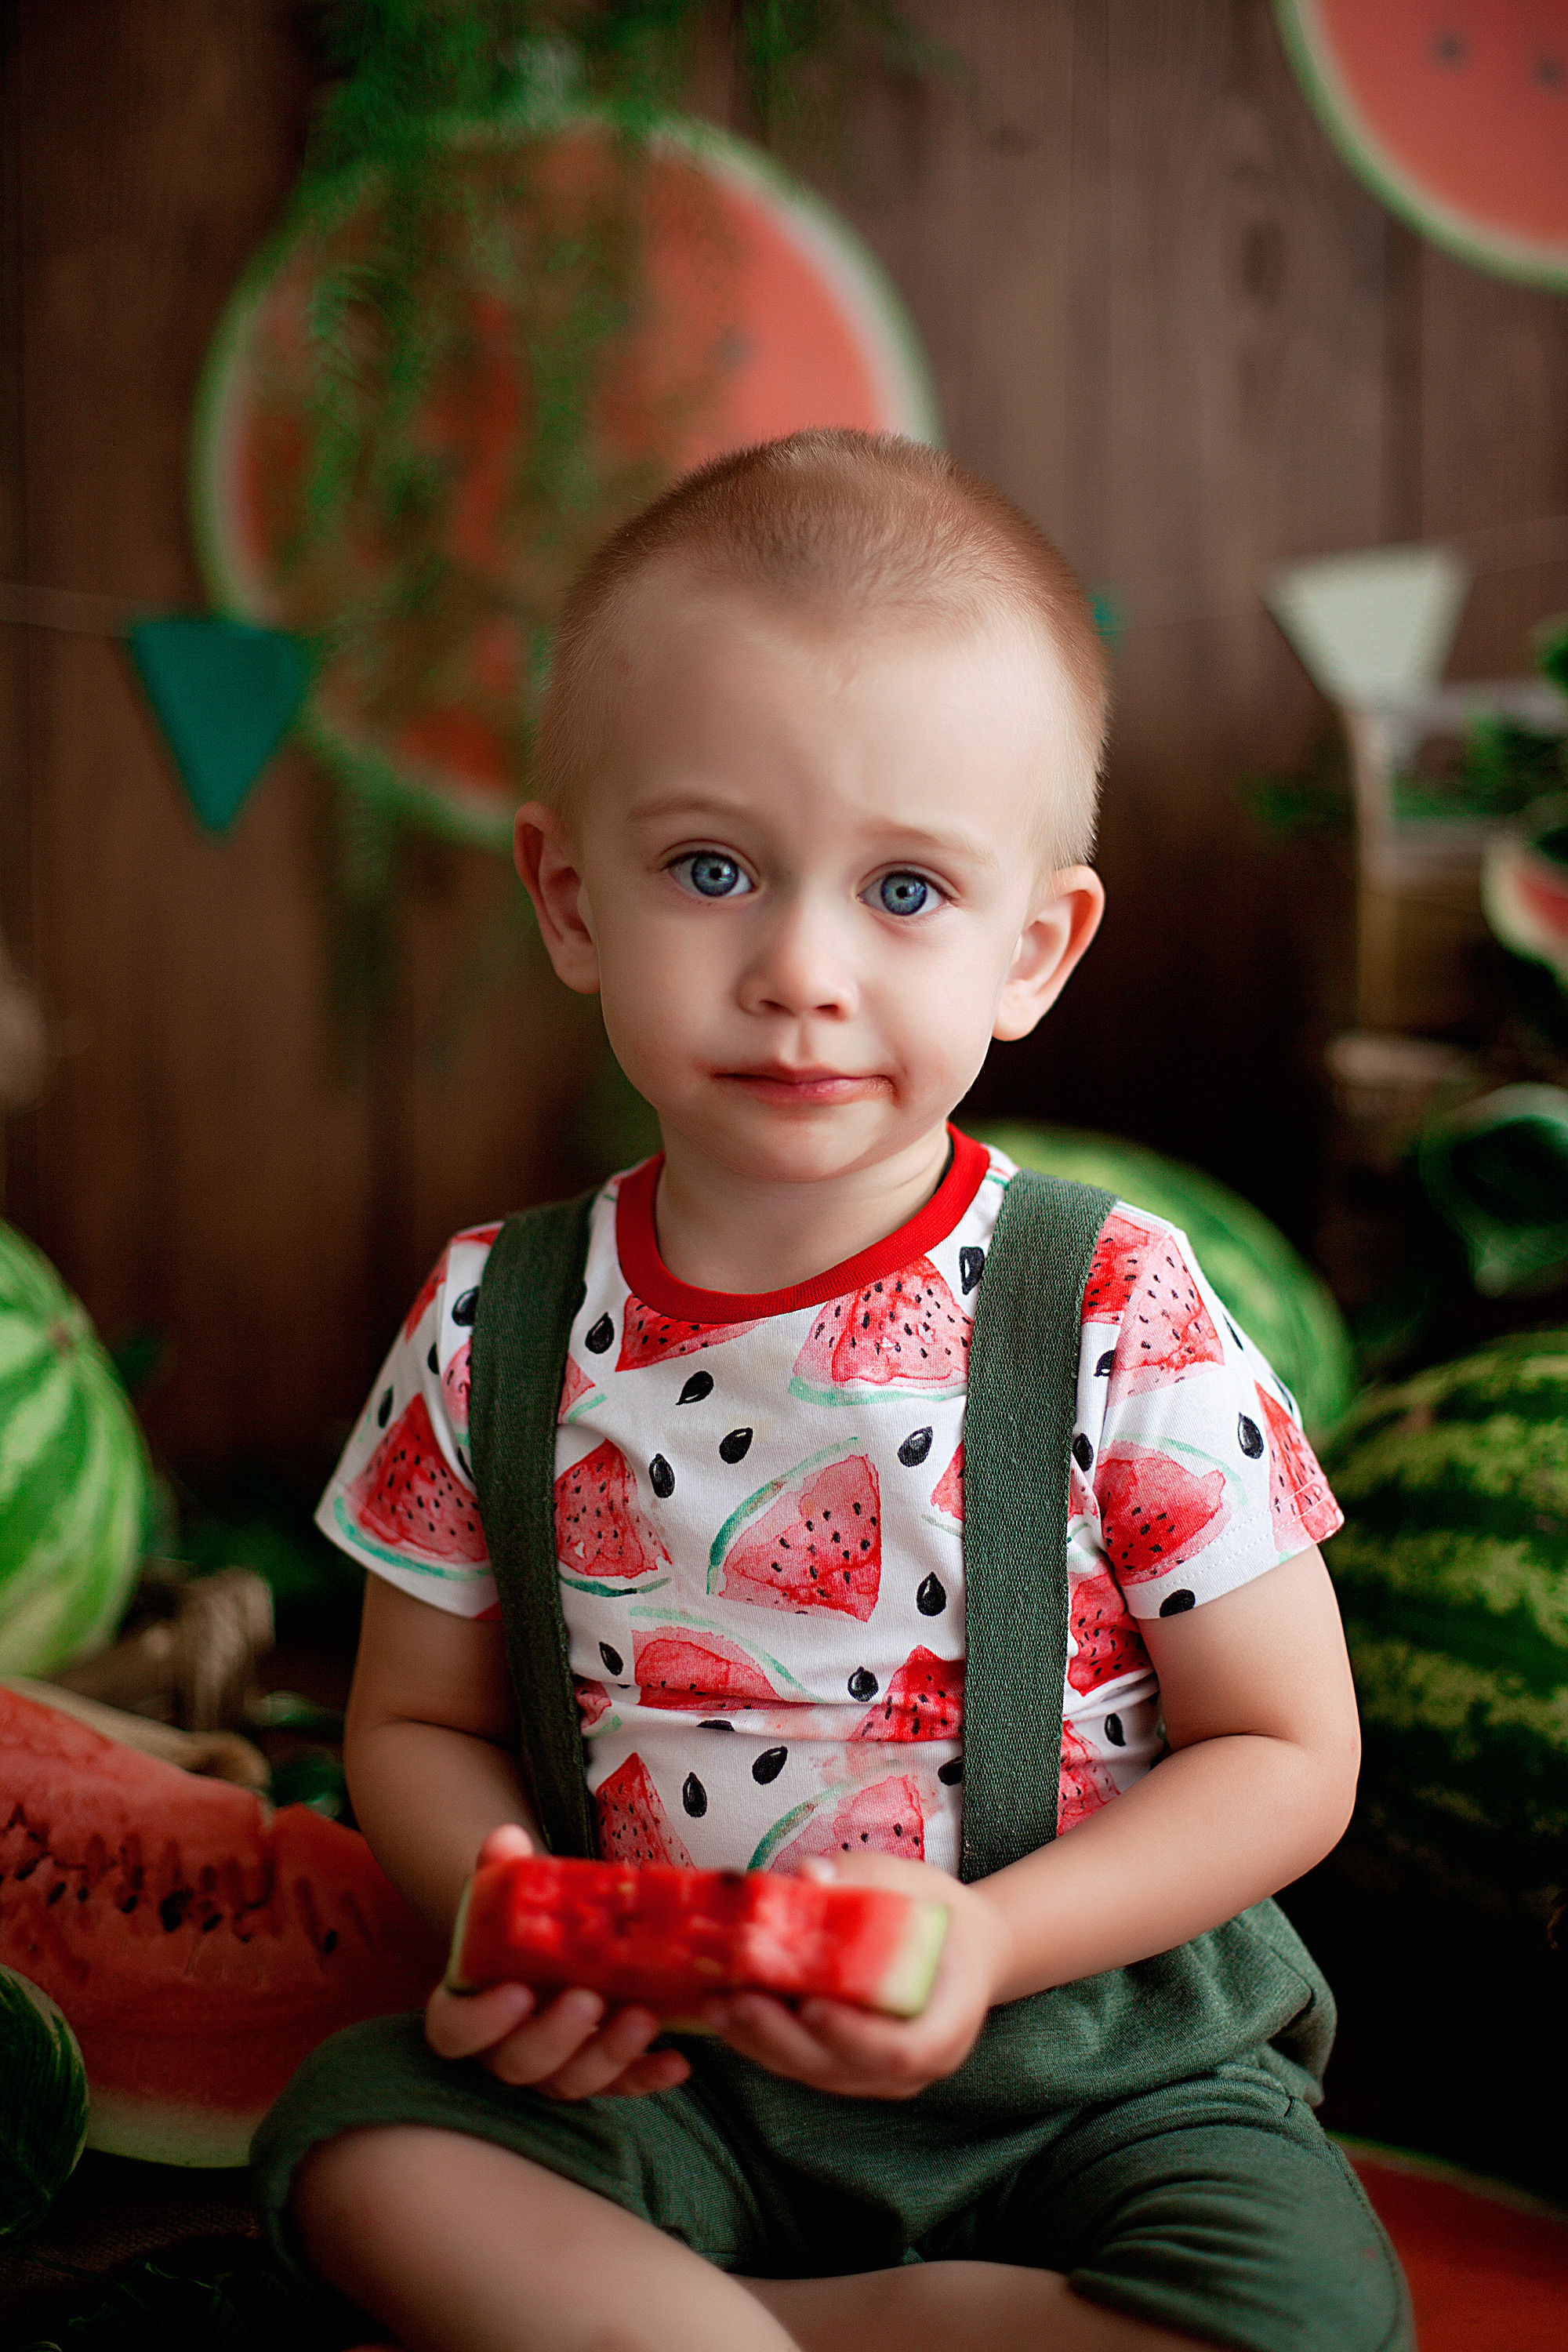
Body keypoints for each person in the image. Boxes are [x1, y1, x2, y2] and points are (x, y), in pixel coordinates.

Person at [252, 430, 1411, 2352]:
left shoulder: (1116, 1303)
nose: (796, 968)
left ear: (1032, 949)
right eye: (712, 868)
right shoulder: (494, 1319)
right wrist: (512, 1918)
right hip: (663, 2067)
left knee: (1302, 2308)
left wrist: (992, 1942)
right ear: (566, 898)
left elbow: (1288, 1754)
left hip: (1090, 2063)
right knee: (360, 2148)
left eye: (903, 891)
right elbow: (416, 1724)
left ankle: (747, 2332)